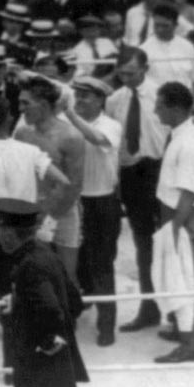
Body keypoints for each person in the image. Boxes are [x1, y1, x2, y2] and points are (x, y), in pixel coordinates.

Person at [0, 197, 89, 387]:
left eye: (1, 230)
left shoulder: (29, 266)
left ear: (9, 234)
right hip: (56, 374)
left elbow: (51, 311)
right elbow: (75, 303)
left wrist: (43, 344)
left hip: (42, 375)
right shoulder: (46, 254)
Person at [105, 46, 169, 332]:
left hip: (159, 171)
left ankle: (177, 312)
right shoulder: (115, 99)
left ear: (145, 68)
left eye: (131, 72)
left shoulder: (162, 95)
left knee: (168, 243)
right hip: (131, 175)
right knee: (143, 243)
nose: (126, 78)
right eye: (121, 73)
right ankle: (149, 307)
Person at [153, 80, 194, 363]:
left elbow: (189, 191)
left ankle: (193, 345)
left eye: (160, 105)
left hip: (183, 213)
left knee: (188, 279)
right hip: (173, 211)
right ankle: (182, 330)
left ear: (175, 108)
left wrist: (176, 227)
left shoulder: (188, 142)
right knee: (176, 276)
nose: (155, 110)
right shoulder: (181, 134)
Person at [66, 75, 124, 346]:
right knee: (74, 263)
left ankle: (107, 325)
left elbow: (97, 138)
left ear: (101, 100)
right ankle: (78, 310)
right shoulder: (69, 123)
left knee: (102, 264)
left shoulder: (111, 125)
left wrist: (69, 116)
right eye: (76, 96)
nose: (79, 101)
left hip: (102, 203)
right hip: (75, 202)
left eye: (85, 97)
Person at [13, 75, 86, 279]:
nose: (20, 108)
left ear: (43, 105)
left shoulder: (71, 137)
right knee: (30, 272)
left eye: (25, 103)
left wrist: (50, 219)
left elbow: (74, 185)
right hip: (30, 209)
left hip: (64, 212)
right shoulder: (22, 134)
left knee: (65, 274)